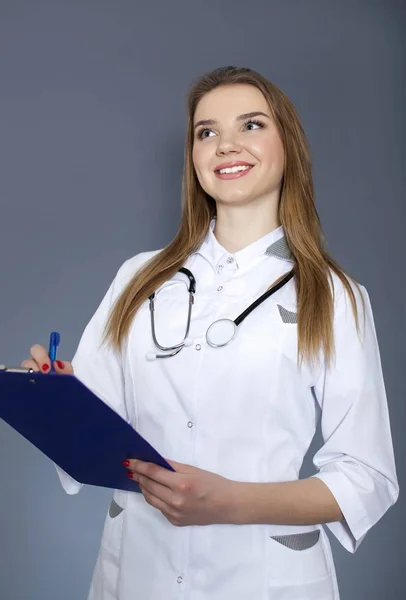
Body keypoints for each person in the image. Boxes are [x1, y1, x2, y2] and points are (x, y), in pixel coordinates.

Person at [22, 65, 399, 600]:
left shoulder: (336, 296)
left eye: (250, 126)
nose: (225, 145)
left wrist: (228, 502)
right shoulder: (138, 278)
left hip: (263, 579)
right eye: (206, 132)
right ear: (194, 156)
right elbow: (93, 438)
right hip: (138, 572)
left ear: (287, 146)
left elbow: (367, 478)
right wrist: (55, 403)